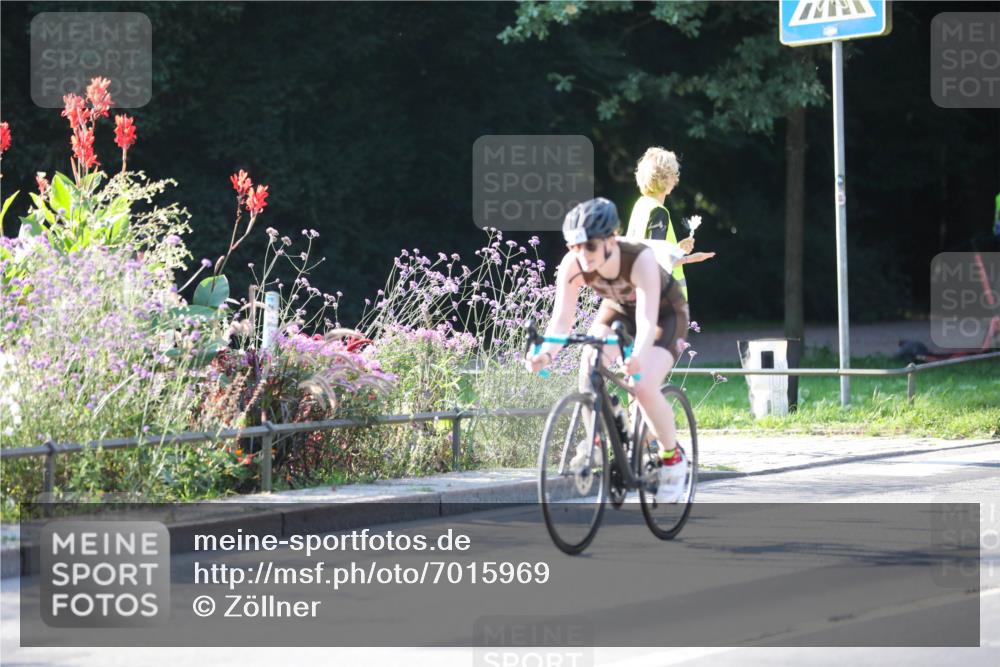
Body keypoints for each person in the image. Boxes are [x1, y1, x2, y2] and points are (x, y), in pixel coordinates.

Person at [524, 197, 690, 503]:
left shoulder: (638, 258)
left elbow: (646, 319)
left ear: (611, 240)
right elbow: (561, 320)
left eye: (589, 246)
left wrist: (637, 356)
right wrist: (545, 354)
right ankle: (599, 439)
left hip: (665, 315)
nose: (581, 254)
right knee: (590, 360)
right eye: (574, 246)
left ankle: (673, 457)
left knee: (643, 386)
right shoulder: (573, 264)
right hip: (619, 309)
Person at [625, 147, 714, 300]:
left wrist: (677, 249)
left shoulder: (641, 205)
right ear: (664, 178)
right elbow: (656, 262)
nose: (675, 179)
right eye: (673, 174)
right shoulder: (658, 212)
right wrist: (691, 258)